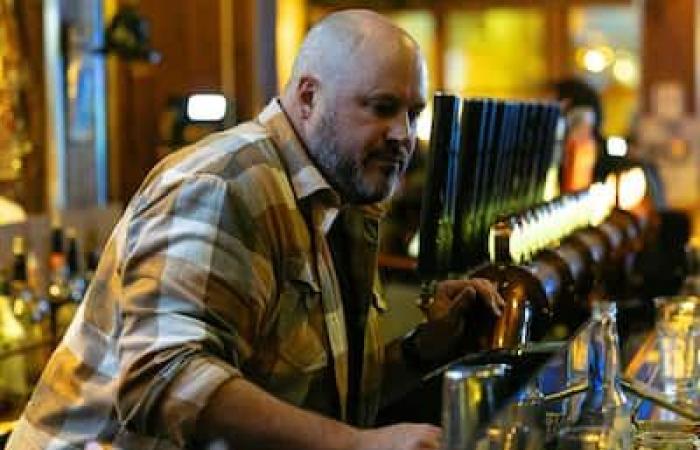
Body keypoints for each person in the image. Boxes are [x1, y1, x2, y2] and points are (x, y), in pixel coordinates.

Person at [8, 9, 503, 450]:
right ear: (308, 97)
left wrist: (422, 349)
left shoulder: (338, 200)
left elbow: (316, 398)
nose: (404, 136)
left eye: (413, 114)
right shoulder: (224, 182)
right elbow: (162, 377)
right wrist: (356, 445)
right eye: (381, 107)